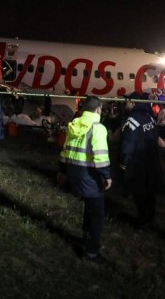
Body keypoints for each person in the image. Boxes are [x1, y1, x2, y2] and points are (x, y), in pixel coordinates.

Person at [58, 95, 112, 263]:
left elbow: (65, 150)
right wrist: (107, 176)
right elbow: (100, 156)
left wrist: (62, 171)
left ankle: (85, 238)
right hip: (89, 175)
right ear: (98, 110)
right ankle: (91, 252)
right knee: (96, 214)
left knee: (90, 209)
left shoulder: (73, 125)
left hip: (74, 172)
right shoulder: (98, 128)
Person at [121, 92, 165, 227]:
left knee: (140, 193)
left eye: (128, 102)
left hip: (137, 164)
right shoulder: (150, 118)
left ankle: (142, 220)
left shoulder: (131, 121)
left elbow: (127, 145)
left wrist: (123, 163)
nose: (126, 104)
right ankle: (150, 218)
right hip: (151, 161)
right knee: (149, 192)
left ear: (133, 103)